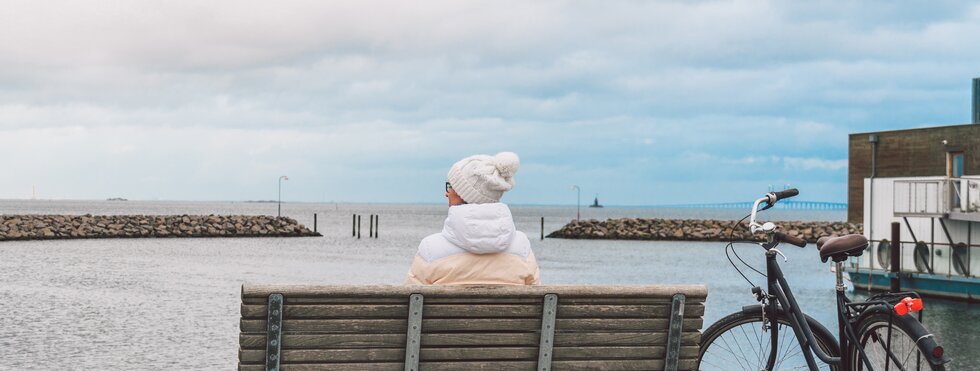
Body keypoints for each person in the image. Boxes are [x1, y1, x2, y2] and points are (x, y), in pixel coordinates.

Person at [405, 152, 540, 285]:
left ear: (464, 194)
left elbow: (410, 299)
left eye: (451, 186)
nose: (446, 193)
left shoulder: (431, 248)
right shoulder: (521, 246)